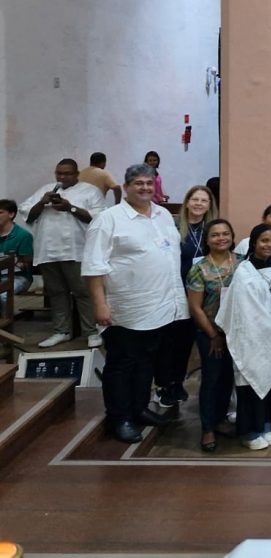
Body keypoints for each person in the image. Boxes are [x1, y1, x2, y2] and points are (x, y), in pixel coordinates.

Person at [82, 163, 187, 443]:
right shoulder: (109, 219)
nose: (145, 188)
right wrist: (99, 304)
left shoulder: (163, 214)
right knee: (122, 364)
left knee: (146, 363)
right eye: (138, 183)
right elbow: (94, 266)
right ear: (126, 187)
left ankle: (139, 408)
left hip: (162, 306)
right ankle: (119, 417)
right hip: (126, 308)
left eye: (149, 183)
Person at [217, 223, 271, 451]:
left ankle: (266, 425)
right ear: (253, 243)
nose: (268, 245)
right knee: (252, 383)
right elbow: (243, 308)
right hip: (253, 338)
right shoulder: (244, 271)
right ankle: (250, 431)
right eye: (263, 240)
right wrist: (267, 326)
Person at [20, 158, 105, 348]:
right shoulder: (46, 189)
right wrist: (42, 203)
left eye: (67, 173)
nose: (62, 177)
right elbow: (28, 214)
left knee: (83, 292)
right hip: (48, 251)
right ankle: (61, 331)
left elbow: (98, 218)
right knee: (56, 293)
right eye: (59, 173)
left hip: (77, 250)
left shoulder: (90, 191)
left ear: (76, 174)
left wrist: (70, 208)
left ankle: (92, 331)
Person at [155, 184, 218, 407]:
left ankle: (178, 381)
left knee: (187, 343)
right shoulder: (173, 227)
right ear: (187, 202)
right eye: (195, 199)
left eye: (204, 200)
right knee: (171, 341)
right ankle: (165, 384)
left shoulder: (212, 229)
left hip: (203, 295)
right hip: (176, 292)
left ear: (210, 205)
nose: (199, 204)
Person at [185, 218, 238, 451]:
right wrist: (213, 335)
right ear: (207, 240)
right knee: (212, 379)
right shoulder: (199, 269)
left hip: (236, 332)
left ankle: (220, 419)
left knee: (228, 378)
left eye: (226, 234)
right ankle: (207, 428)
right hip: (211, 333)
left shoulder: (242, 263)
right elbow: (195, 307)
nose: (221, 238)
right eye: (215, 235)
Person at [0, 198, 34, 304]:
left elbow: (27, 262)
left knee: (3, 295)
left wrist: (17, 262)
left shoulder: (23, 236)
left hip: (18, 277)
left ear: (11, 214)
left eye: (0, 212)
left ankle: (5, 319)